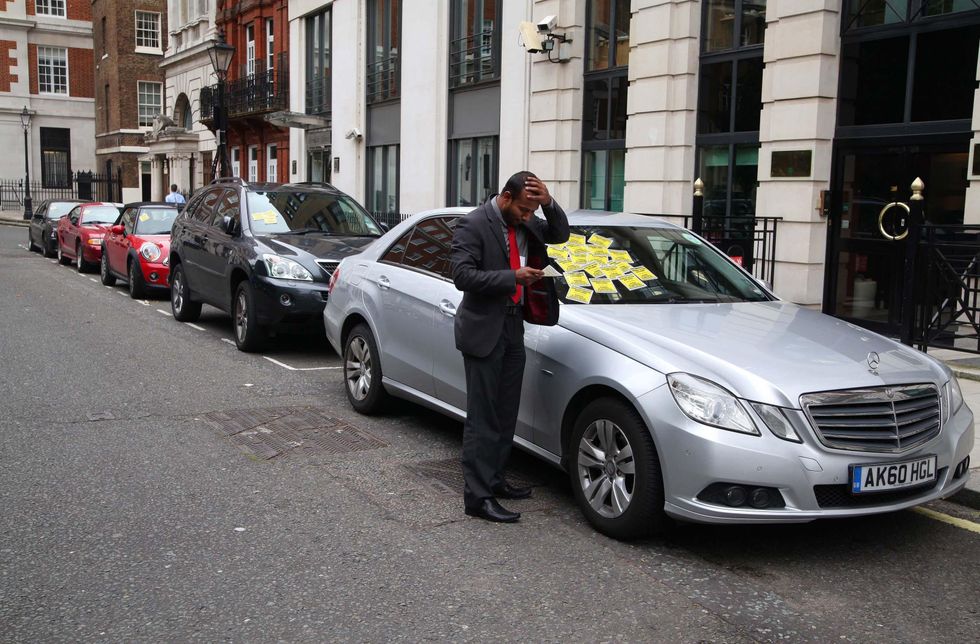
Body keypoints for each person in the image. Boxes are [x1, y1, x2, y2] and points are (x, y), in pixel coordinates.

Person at [450, 171, 569, 523]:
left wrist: (548, 202)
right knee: (482, 417)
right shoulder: (472, 225)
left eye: (533, 211)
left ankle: (496, 479)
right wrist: (512, 277)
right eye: (523, 209)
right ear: (505, 197)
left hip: (513, 324)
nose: (528, 217)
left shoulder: (529, 222)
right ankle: (478, 497)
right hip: (483, 328)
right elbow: (462, 276)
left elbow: (560, 236)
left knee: (505, 412)